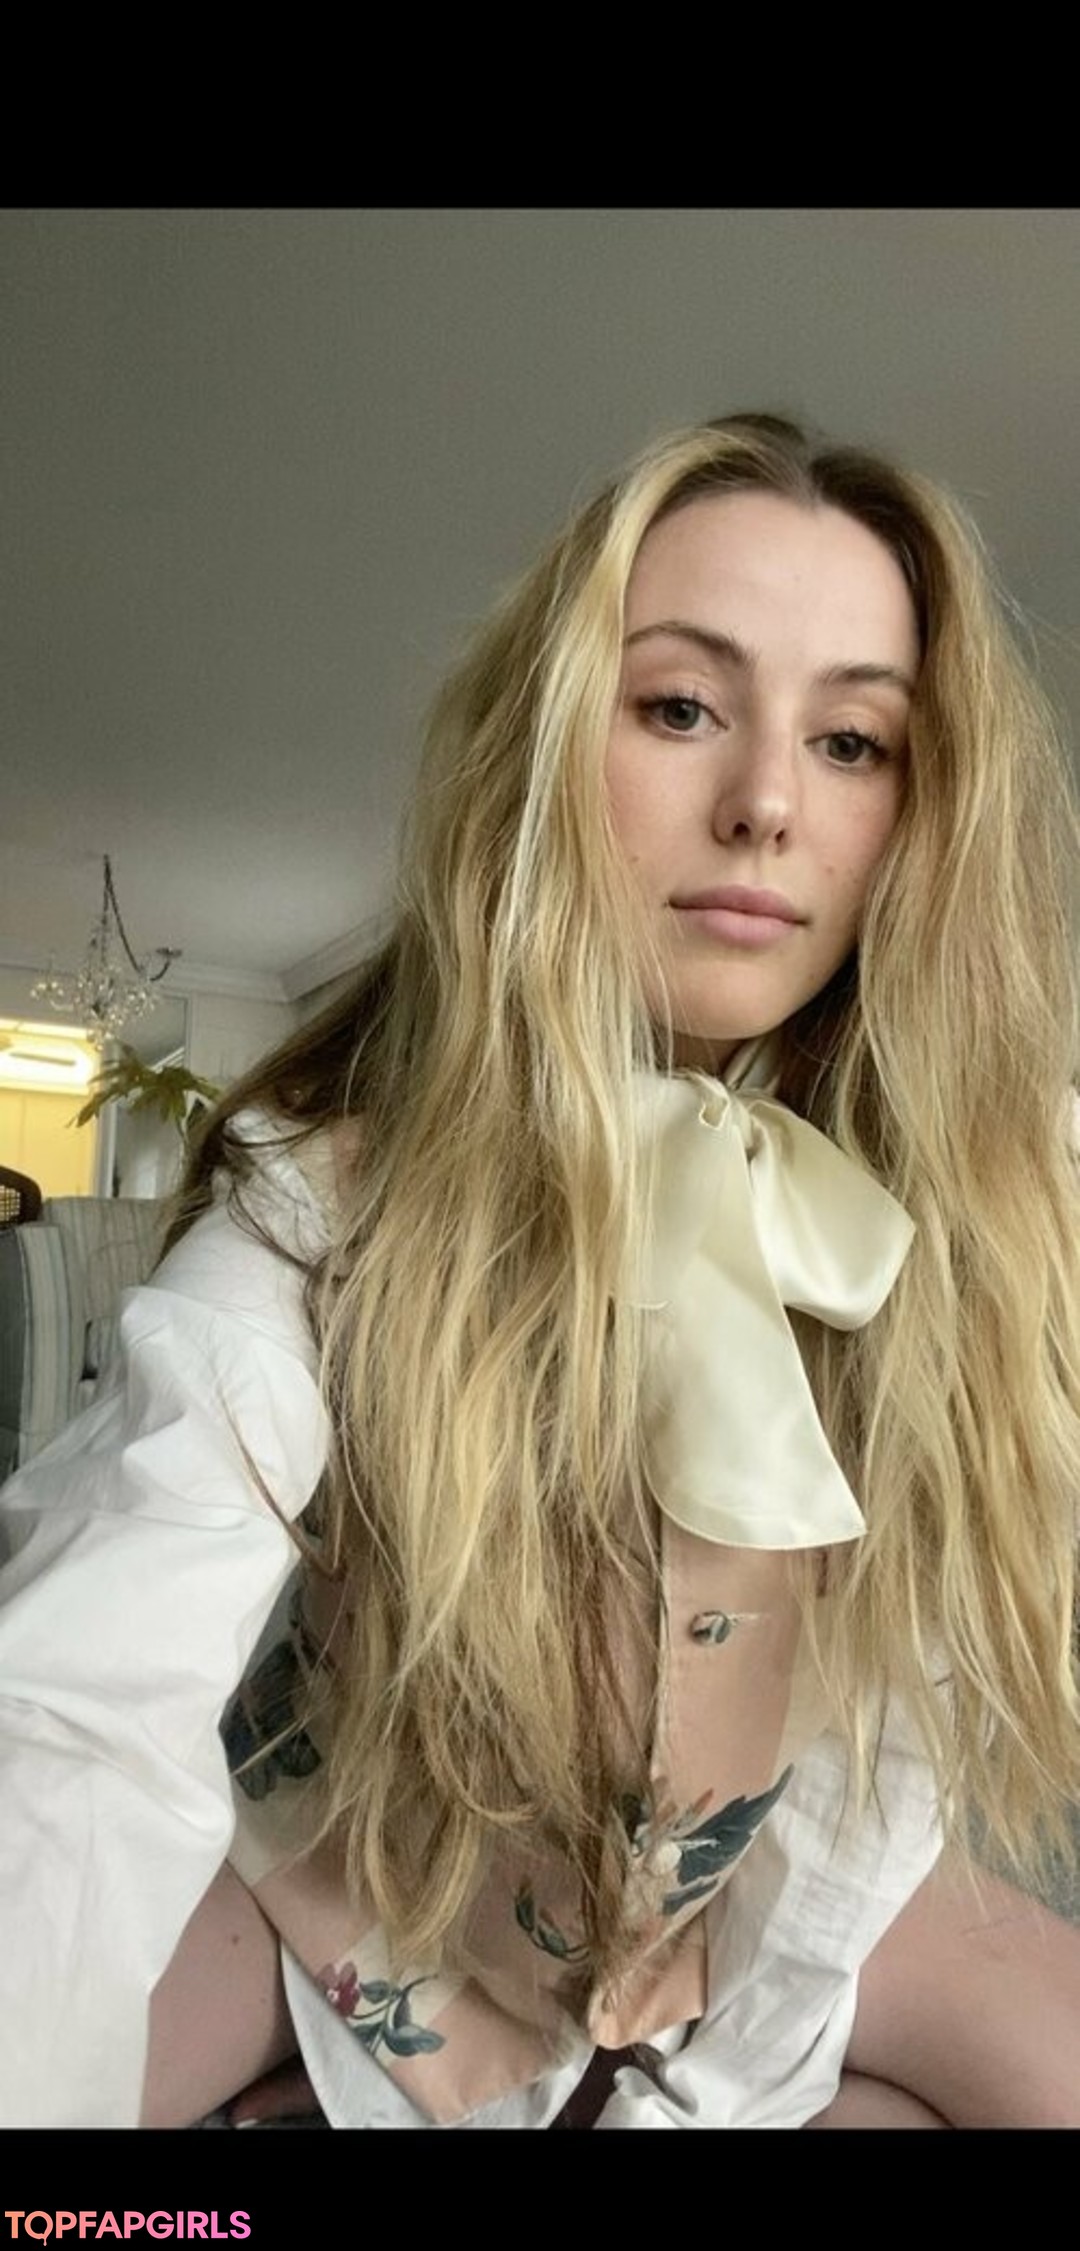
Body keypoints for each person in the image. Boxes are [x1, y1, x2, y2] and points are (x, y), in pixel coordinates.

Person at [3, 411, 1080, 2131]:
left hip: (761, 1918)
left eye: (854, 741)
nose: (768, 805)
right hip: (351, 1893)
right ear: (553, 746)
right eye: (680, 707)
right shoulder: (325, 1198)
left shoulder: (998, 1201)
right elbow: (76, 1703)